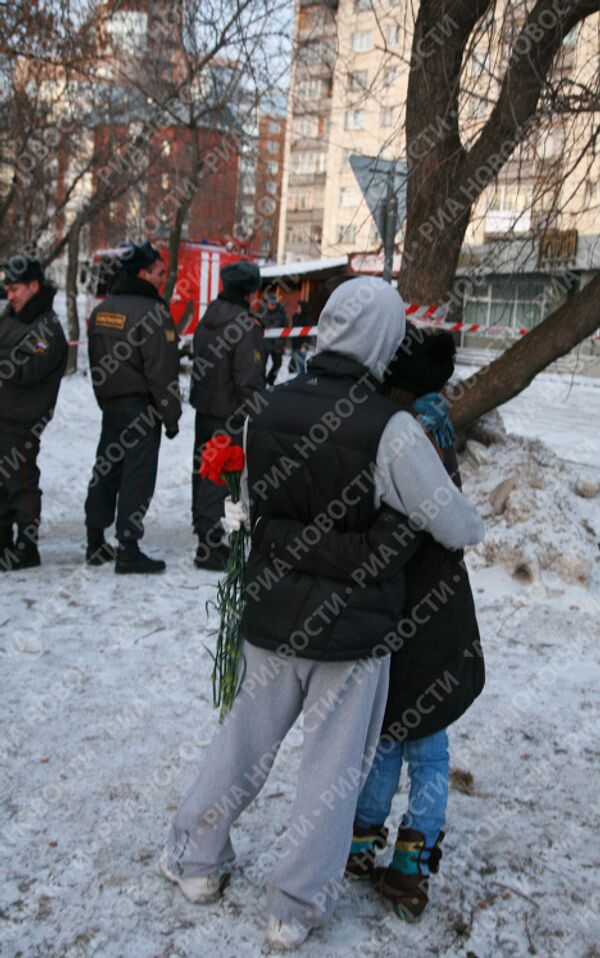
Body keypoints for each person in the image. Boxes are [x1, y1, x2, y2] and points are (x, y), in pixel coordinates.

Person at [162, 278, 484, 951]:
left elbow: (256, 509)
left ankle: (194, 857)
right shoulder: (392, 429)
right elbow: (458, 526)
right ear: (384, 340)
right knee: (331, 773)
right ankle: (293, 907)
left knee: (242, 745)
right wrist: (388, 531)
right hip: (354, 634)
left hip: (273, 618)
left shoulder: (267, 409)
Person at [262, 324, 484, 921]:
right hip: (438, 611)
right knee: (427, 743)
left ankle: (363, 844)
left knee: (389, 733)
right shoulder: (434, 422)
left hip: (394, 607)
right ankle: (408, 865)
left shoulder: (395, 432)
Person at [84, 241, 181, 574]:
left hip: (112, 407)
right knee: (136, 477)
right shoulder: (154, 313)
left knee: (106, 471)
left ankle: (95, 540)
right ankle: (128, 550)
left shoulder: (102, 310)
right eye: (159, 272)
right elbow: (162, 372)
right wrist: (171, 416)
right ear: (142, 273)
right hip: (143, 409)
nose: (163, 278)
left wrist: (105, 400)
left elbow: (96, 364)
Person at [190, 260, 264, 571]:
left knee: (204, 472)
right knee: (222, 477)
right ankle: (210, 545)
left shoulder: (208, 318)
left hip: (205, 409)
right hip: (232, 413)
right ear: (249, 292)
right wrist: (258, 413)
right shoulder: (246, 326)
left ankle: (205, 532)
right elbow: (248, 379)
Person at [0, 256, 67, 571]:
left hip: (22, 421)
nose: (10, 296)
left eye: (15, 289)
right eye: (7, 290)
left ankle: (27, 547)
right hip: (4, 414)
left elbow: (25, 369)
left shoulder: (47, 327)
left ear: (34, 286)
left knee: (21, 483)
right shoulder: (12, 317)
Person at [259, 291, 287, 385]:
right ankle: (262, 383)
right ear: (267, 303)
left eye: (274, 304)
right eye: (271, 304)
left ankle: (270, 380)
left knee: (278, 364)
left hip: (277, 344)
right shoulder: (261, 312)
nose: (272, 305)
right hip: (264, 344)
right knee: (261, 366)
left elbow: (286, 327)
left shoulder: (281, 313)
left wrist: (283, 342)